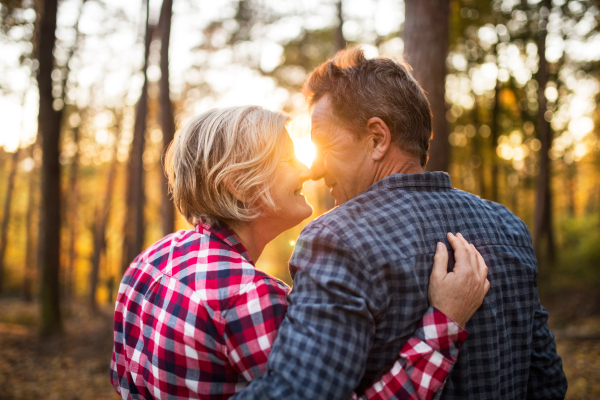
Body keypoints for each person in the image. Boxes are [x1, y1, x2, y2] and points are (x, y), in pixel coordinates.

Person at [229, 48, 567, 400]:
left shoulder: (337, 239)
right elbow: (547, 383)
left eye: (323, 144)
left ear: (377, 138)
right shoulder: (509, 228)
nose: (315, 169)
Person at [110, 106, 490, 400]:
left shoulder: (152, 260)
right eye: (289, 160)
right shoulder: (250, 298)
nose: (308, 170)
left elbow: (123, 378)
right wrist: (443, 324)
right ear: (241, 185)